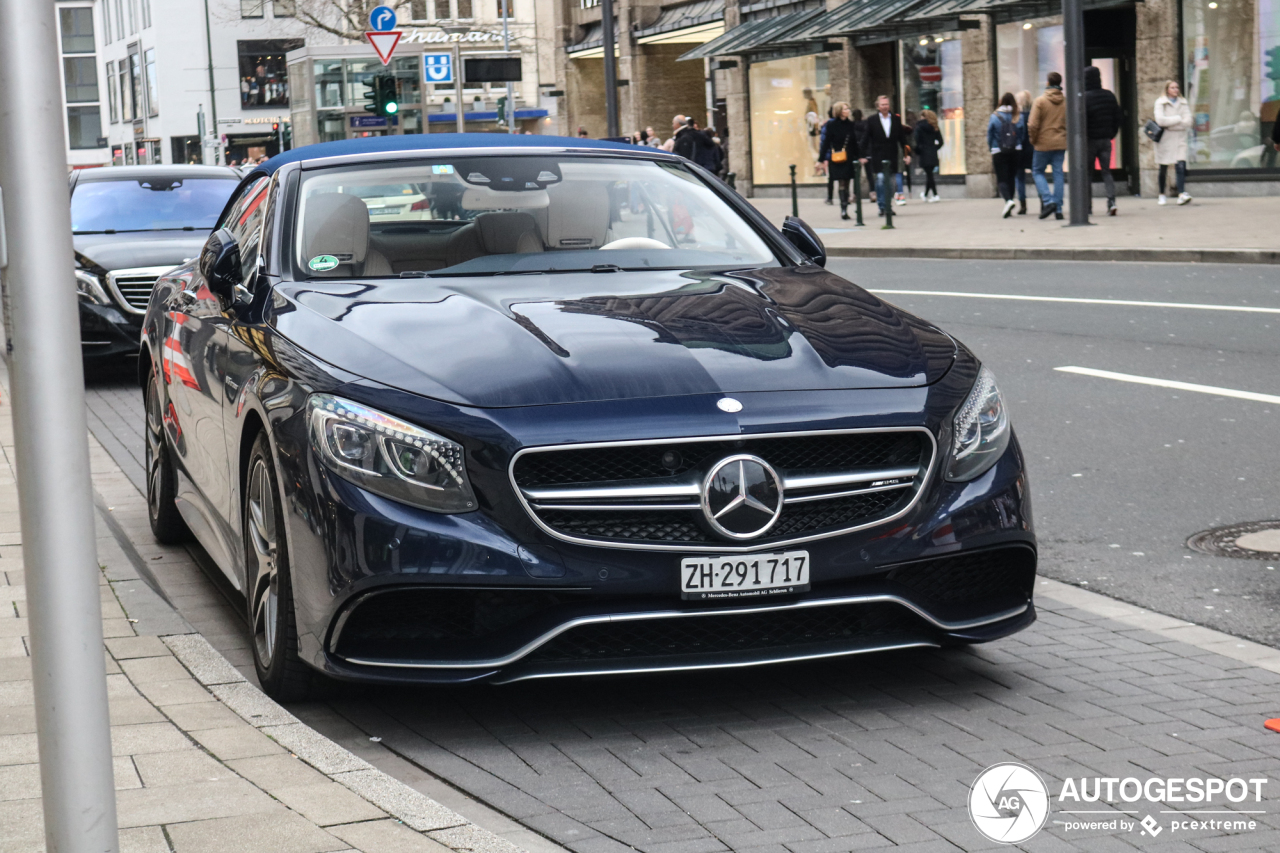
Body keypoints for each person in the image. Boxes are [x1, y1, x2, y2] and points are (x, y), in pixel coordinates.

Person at [1083, 66, 1124, 216]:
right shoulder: (1109, 96)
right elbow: (1118, 117)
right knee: (1107, 172)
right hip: (1106, 140)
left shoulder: (1085, 97)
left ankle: (1087, 206)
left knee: (1087, 173)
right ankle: (1111, 201)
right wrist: (1111, 134)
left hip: (1090, 141)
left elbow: (1083, 121)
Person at [1029, 71, 1067, 220]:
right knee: (1058, 173)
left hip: (1042, 143)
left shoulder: (1040, 101)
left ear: (1047, 83)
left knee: (1038, 171)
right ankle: (1058, 208)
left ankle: (1048, 201)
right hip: (1060, 142)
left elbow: (1032, 124)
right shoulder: (1065, 101)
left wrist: (1033, 139)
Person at [865, 95, 912, 214]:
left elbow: (902, 139)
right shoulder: (872, 120)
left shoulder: (895, 119)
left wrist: (907, 154)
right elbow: (866, 138)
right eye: (882, 105)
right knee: (880, 180)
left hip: (892, 155)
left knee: (891, 182)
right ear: (878, 106)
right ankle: (882, 206)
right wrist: (862, 155)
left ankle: (888, 206)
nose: (885, 107)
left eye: (886, 104)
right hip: (878, 155)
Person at [823, 102, 865, 221]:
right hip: (837, 158)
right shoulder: (831, 125)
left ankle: (845, 204)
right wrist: (821, 159)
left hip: (849, 157)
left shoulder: (851, 124)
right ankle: (844, 208)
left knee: (847, 183)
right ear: (840, 111)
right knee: (842, 183)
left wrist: (860, 156)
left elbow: (854, 142)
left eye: (848, 109)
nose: (848, 111)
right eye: (846, 109)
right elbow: (826, 142)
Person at [1154, 81, 1193, 206]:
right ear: (1167, 89)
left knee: (1180, 165)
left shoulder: (1183, 102)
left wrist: (1172, 124)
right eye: (1172, 87)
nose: (1175, 89)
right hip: (1165, 139)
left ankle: (1181, 193)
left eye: (1177, 87)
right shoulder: (1160, 102)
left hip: (1180, 138)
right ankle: (1161, 194)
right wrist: (1178, 119)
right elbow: (1160, 120)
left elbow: (1188, 121)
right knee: (1163, 167)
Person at [988, 93, 1021, 218]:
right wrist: (1019, 145)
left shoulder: (994, 116)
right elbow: (1021, 132)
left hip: (998, 150)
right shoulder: (1017, 116)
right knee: (1011, 177)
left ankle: (1008, 201)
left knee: (1002, 179)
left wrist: (991, 147)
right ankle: (1010, 201)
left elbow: (989, 134)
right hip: (1015, 150)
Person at [914, 109, 944, 203]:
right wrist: (934, 148)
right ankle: (926, 195)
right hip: (932, 153)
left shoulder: (919, 127)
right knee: (929, 174)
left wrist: (918, 150)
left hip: (924, 153)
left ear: (923, 117)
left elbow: (917, 140)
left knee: (929, 175)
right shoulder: (934, 127)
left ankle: (935, 195)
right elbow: (941, 142)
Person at [1014, 90, 1034, 214]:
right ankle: (1044, 202)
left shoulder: (1017, 117)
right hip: (1032, 148)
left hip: (1020, 150)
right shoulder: (1033, 114)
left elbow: (1017, 136)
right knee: (1037, 174)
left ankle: (1023, 205)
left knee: (1019, 177)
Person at [818, 108, 835, 204]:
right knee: (844, 178)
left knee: (831, 177)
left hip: (831, 155)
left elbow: (823, 142)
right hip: (841, 154)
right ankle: (846, 198)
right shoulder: (837, 124)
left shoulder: (826, 125)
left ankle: (830, 197)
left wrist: (824, 157)